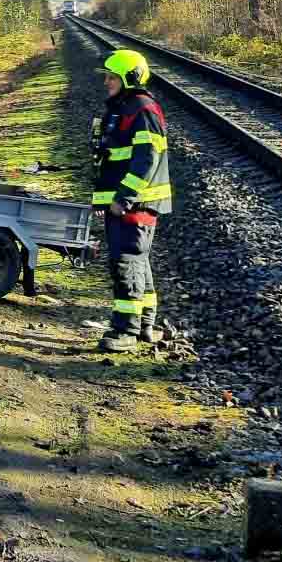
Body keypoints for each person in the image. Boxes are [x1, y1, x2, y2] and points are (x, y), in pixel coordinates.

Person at [91, 49, 172, 353]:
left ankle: (126, 330)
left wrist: (124, 199)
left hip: (135, 204)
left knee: (126, 263)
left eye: (113, 77)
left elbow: (145, 160)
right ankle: (146, 325)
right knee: (138, 262)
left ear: (130, 78)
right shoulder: (124, 108)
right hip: (127, 204)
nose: (107, 82)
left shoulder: (142, 109)